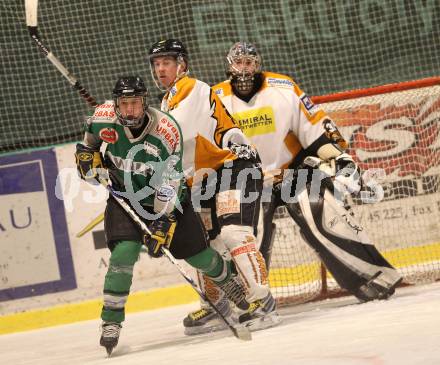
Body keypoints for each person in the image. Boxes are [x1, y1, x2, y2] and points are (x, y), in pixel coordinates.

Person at [212, 42, 402, 302]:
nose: (244, 69)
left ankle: (373, 275)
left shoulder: (283, 88)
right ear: (228, 65)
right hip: (248, 180)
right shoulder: (215, 98)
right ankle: (242, 298)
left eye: (249, 63)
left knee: (319, 208)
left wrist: (338, 156)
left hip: (291, 172)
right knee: (243, 232)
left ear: (258, 65)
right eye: (238, 63)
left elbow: (314, 128)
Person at [75, 76, 250, 354]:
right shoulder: (103, 118)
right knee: (123, 255)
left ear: (145, 103)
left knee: (199, 257)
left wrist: (162, 224)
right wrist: (86, 157)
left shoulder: (166, 131)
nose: (130, 109)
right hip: (124, 197)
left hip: (168, 200)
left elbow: (172, 184)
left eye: (135, 103)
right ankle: (111, 322)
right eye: (124, 104)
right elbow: (89, 143)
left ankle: (228, 281)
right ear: (117, 105)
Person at [147, 39, 281, 335]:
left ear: (181, 64)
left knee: (234, 233)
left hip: (235, 167)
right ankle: (219, 303)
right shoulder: (167, 101)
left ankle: (263, 303)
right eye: (156, 64)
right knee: (202, 243)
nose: (160, 69)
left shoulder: (191, 88)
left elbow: (175, 139)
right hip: (206, 178)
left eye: (166, 62)